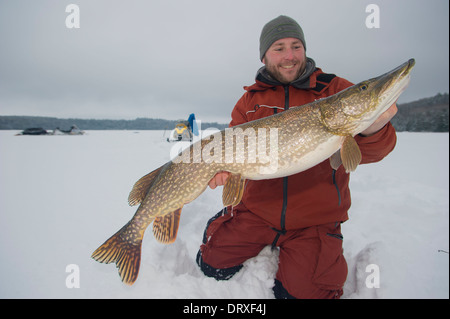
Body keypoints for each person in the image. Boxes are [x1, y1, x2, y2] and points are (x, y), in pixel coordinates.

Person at [196, 15, 397, 299]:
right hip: (257, 213)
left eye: (296, 46)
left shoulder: (335, 90)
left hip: (314, 220)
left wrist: (374, 128)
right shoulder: (249, 102)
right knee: (211, 266)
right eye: (279, 48)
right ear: (265, 56)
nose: (289, 56)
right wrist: (224, 172)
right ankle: (228, 220)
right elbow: (234, 152)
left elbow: (377, 151)